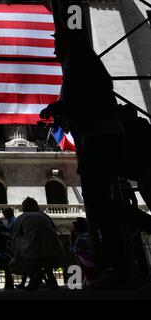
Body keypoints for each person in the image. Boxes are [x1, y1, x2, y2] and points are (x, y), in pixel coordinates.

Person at [40, 29, 151, 288]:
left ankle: (122, 264)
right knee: (100, 203)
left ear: (68, 45)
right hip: (104, 137)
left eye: (57, 45)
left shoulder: (78, 66)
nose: (54, 51)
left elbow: (83, 100)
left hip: (98, 139)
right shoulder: (87, 63)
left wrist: (56, 108)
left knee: (97, 203)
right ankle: (122, 264)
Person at [10, 197, 64, 291]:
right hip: (51, 250)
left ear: (24, 207)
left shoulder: (21, 217)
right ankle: (51, 281)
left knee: (21, 259)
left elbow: (15, 237)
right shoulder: (44, 216)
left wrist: (15, 252)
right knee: (46, 262)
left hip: (31, 251)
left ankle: (36, 276)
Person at [70, 218, 94, 286]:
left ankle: (87, 277)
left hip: (88, 260)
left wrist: (72, 241)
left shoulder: (80, 237)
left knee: (78, 255)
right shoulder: (91, 233)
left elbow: (74, 251)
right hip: (92, 258)